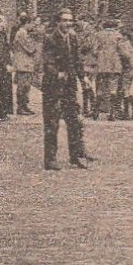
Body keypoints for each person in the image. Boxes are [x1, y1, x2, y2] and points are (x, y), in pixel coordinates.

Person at [41, 9, 92, 170]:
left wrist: (83, 77)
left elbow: (76, 60)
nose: (68, 23)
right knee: (52, 123)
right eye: (64, 20)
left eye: (70, 20)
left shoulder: (73, 37)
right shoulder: (50, 38)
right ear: (58, 22)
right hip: (52, 87)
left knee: (74, 121)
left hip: (69, 85)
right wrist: (57, 73)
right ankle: (50, 159)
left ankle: (75, 156)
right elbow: (47, 61)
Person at [11, 14, 42, 116]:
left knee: (26, 85)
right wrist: (37, 43)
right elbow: (30, 48)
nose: (32, 26)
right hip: (23, 63)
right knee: (23, 86)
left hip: (26, 63)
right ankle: (21, 106)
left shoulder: (23, 33)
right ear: (27, 23)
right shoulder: (22, 33)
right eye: (31, 24)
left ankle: (24, 105)